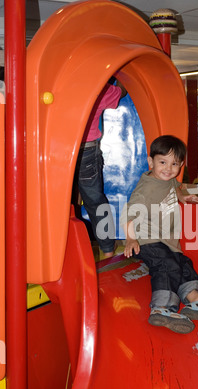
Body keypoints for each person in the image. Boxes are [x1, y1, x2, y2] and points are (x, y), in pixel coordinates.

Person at [121, 135, 198, 334]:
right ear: (150, 161)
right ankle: (162, 308)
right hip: (146, 240)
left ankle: (194, 301)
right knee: (166, 265)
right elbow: (129, 214)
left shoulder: (168, 179)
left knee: (184, 264)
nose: (168, 168)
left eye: (175, 164)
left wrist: (183, 196)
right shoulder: (146, 189)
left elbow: (175, 188)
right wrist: (130, 238)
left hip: (167, 242)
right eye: (162, 162)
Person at [73, 79, 126, 258]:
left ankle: (65, 250)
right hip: (86, 148)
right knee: (95, 202)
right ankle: (108, 250)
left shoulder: (54, 81)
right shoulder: (94, 85)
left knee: (59, 202)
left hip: (56, 148)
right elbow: (121, 92)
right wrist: (120, 78)